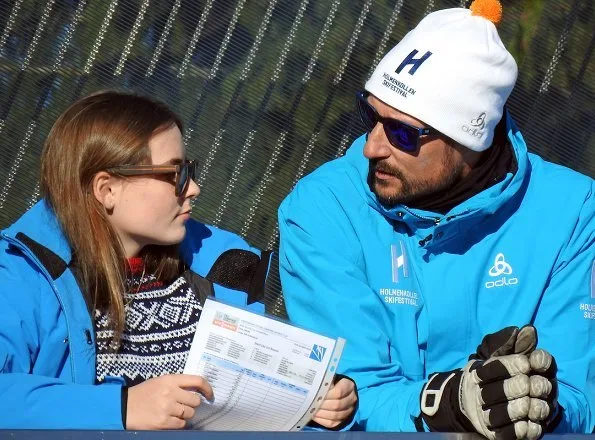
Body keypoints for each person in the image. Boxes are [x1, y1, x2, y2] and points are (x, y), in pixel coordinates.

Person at [278, 0, 594, 438]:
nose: (372, 147)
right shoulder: (323, 206)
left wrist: (538, 406)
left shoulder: (573, 209)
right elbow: (352, 395)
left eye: (404, 133)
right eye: (371, 116)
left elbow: (581, 396)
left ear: (471, 141)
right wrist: (448, 404)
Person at [0, 91, 356, 430]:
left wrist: (313, 405)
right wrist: (122, 408)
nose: (194, 188)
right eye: (176, 175)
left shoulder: (220, 268)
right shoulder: (21, 277)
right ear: (107, 190)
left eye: (191, 170)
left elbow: (255, 401)